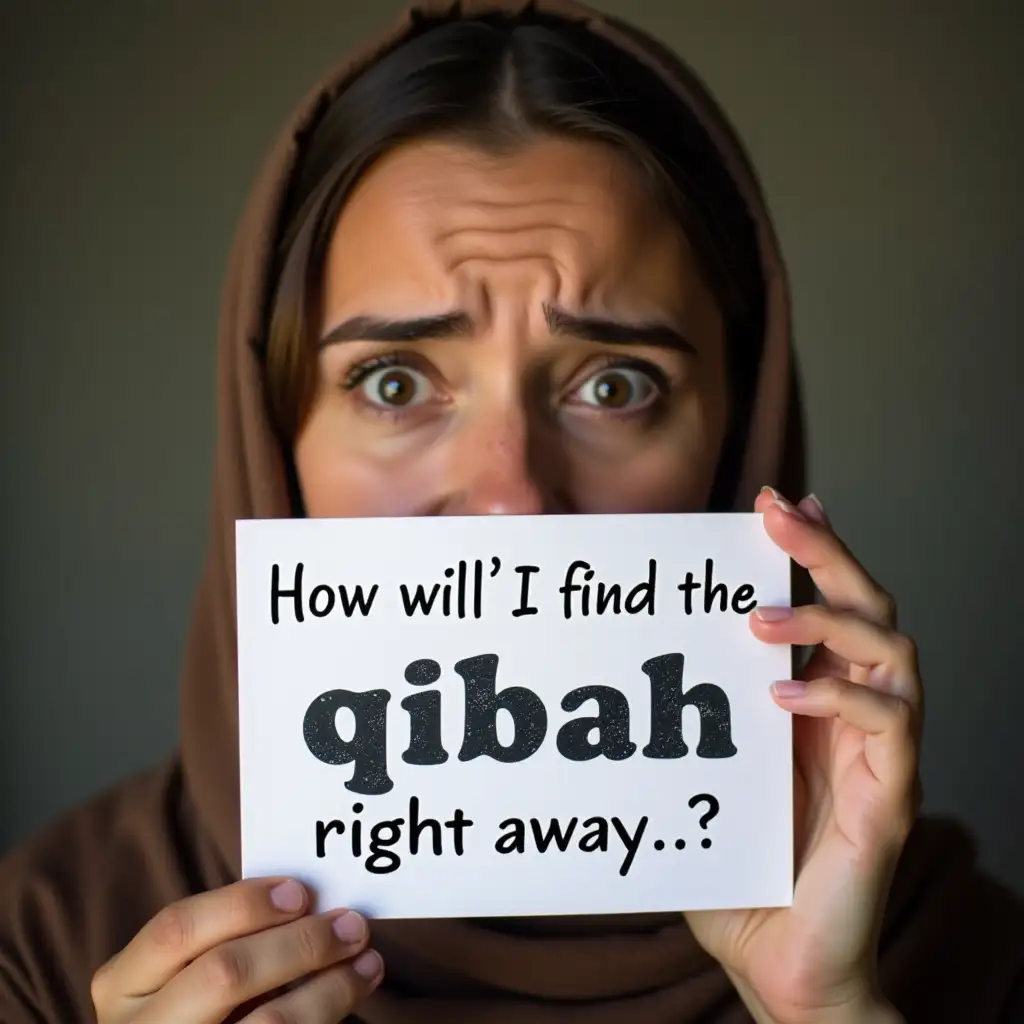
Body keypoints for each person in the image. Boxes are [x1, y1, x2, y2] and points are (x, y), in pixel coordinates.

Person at [1, 1, 1022, 1021]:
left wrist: (830, 1008)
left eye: (616, 386)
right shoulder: (47, 946)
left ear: (738, 431)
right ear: (271, 441)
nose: (509, 503)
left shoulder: (957, 952)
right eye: (394, 383)